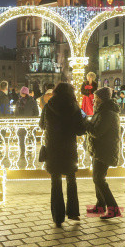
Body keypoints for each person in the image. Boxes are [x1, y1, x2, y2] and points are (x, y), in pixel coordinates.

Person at [39, 83, 85, 228]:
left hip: (53, 148)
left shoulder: (48, 106)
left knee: (56, 181)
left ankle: (58, 216)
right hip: (69, 148)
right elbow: (80, 130)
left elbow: (42, 125)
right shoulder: (74, 107)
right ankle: (73, 212)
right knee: (71, 180)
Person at [85, 87, 122, 220]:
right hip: (100, 149)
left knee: (99, 179)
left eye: (95, 99)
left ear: (101, 99)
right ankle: (100, 205)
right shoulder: (102, 111)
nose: (93, 102)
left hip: (105, 149)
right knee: (97, 178)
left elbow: (97, 132)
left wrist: (86, 123)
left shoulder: (107, 113)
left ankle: (114, 209)